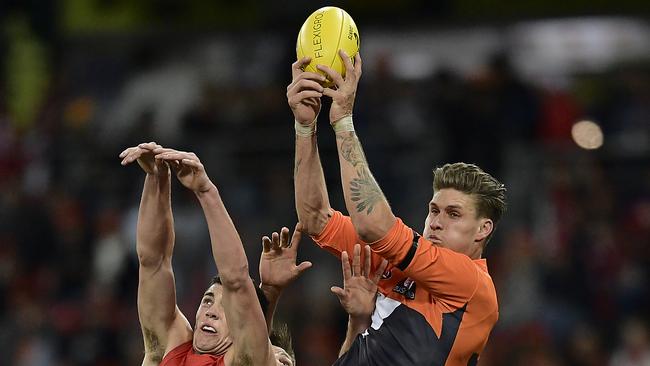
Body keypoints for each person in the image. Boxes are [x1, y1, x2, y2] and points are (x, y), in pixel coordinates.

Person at [288, 51, 507, 365]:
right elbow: (316, 219)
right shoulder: (397, 263)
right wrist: (305, 128)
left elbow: (374, 226)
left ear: (483, 229)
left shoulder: (472, 285)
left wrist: (342, 122)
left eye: (453, 214)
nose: (436, 222)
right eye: (434, 210)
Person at [119, 142, 309, 366]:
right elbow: (153, 262)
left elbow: (236, 280)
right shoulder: (168, 348)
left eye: (226, 308)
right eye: (208, 301)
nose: (212, 312)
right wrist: (156, 176)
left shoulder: (246, 360)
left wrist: (206, 191)